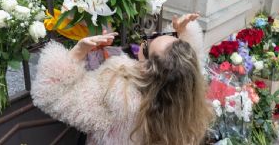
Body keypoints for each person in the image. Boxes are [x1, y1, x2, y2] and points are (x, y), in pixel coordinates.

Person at [31, 13, 214, 145]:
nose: (148, 39)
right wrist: (181, 33)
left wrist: (78, 51)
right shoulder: (186, 99)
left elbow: (50, 94)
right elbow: (178, 66)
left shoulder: (117, 97)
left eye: (146, 45)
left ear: (146, 67)